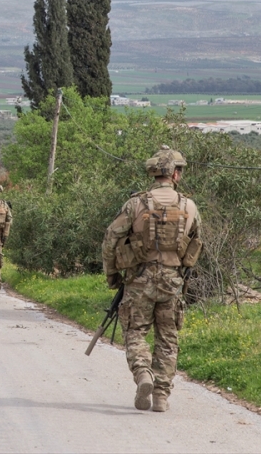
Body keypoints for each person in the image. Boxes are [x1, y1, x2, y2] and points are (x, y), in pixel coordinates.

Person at [102, 146, 203, 413]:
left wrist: (112, 274)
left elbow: (111, 239)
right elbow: (196, 242)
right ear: (175, 174)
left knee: (135, 333)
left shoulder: (135, 204)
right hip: (172, 281)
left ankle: (143, 374)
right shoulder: (189, 206)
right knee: (168, 339)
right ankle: (161, 396)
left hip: (139, 280)